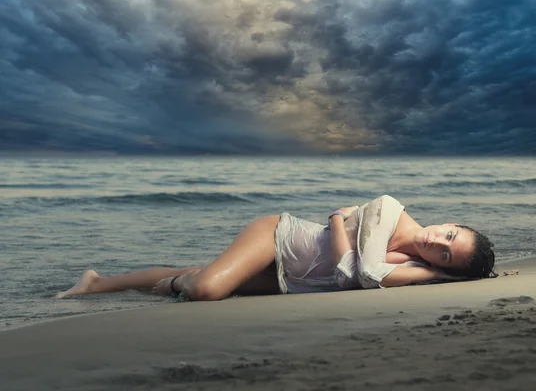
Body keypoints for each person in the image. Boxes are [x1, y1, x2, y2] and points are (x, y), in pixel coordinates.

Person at [56, 195, 496, 301]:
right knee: (208, 289)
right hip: (279, 238)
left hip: (298, 282)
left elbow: (362, 274)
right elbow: (358, 275)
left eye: (444, 256)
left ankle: (96, 284)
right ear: (451, 223)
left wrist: (431, 273)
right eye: (449, 236)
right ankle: (182, 281)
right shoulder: (388, 210)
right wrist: (336, 220)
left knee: (199, 276)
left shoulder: (420, 263)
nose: (435, 242)